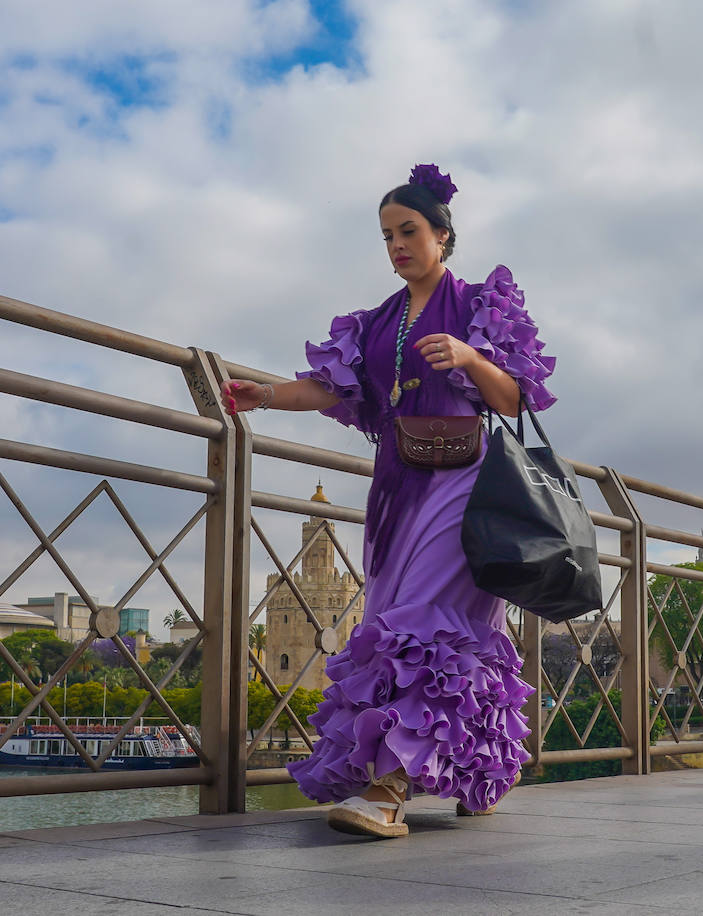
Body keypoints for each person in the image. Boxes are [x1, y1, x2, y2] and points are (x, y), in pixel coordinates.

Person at [219, 164, 556, 838]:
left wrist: (470, 356)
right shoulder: (377, 323)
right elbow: (333, 389)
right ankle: (479, 771)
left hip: (465, 484)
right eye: (386, 236)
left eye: (409, 231)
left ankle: (388, 790)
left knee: (422, 625)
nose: (397, 245)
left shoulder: (480, 305)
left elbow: (515, 399)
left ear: (442, 235)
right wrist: (266, 394)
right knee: (428, 630)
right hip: (397, 489)